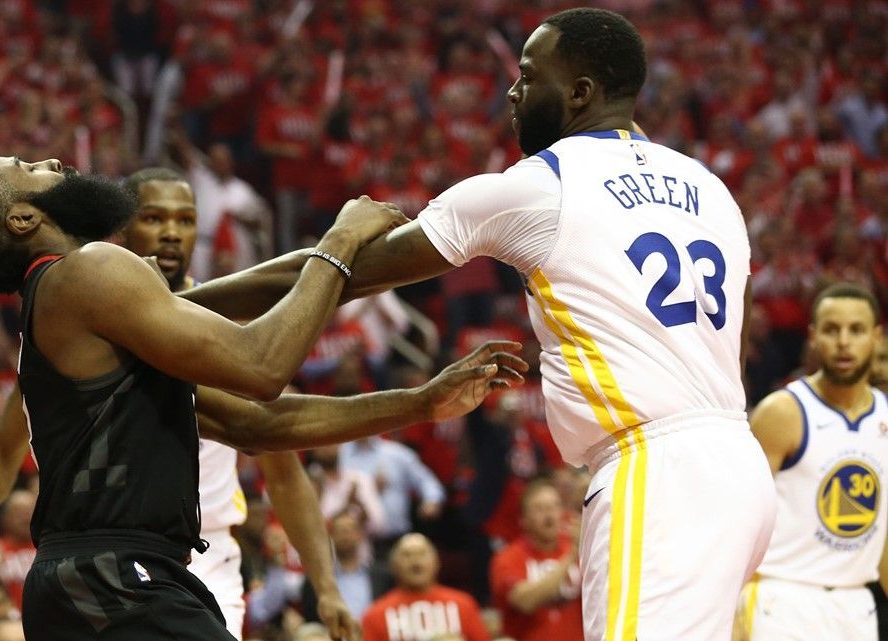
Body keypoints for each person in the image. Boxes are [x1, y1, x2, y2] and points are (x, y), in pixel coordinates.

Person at [185, 8, 775, 640]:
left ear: (579, 93)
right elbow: (734, 349)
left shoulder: (542, 184)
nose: (512, 92)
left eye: (527, 75)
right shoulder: (711, 188)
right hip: (740, 467)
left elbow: (341, 273)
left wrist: (175, 309)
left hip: (656, 472)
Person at [0, 156, 522, 641]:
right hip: (116, 580)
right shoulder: (88, 271)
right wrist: (338, 240)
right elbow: (261, 366)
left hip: (97, 581)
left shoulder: (81, 310)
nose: (51, 160)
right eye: (28, 168)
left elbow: (262, 422)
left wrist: (420, 401)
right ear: (23, 220)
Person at [109, 167, 355, 639]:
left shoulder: (230, 329)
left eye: (184, 220)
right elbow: (4, 449)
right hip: (115, 552)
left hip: (208, 558)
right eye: (154, 217)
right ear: (122, 229)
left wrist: (326, 586)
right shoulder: (94, 319)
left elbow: (284, 475)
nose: (170, 233)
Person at [739, 283, 888, 641]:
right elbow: (737, 523)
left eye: (856, 330)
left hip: (856, 606)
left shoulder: (885, 417)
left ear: (877, 337)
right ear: (813, 337)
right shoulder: (783, 412)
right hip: (781, 600)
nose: (843, 342)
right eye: (832, 329)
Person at [489, 479, 582, 641]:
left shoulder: (579, 547)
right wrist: (571, 557)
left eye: (554, 506)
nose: (549, 515)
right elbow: (525, 601)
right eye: (539, 509)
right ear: (523, 519)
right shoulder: (507, 558)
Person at [359, 534, 489, 641]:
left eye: (422, 554)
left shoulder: (464, 605)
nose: (415, 562)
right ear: (394, 566)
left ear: (437, 563)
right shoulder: (375, 615)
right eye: (407, 555)